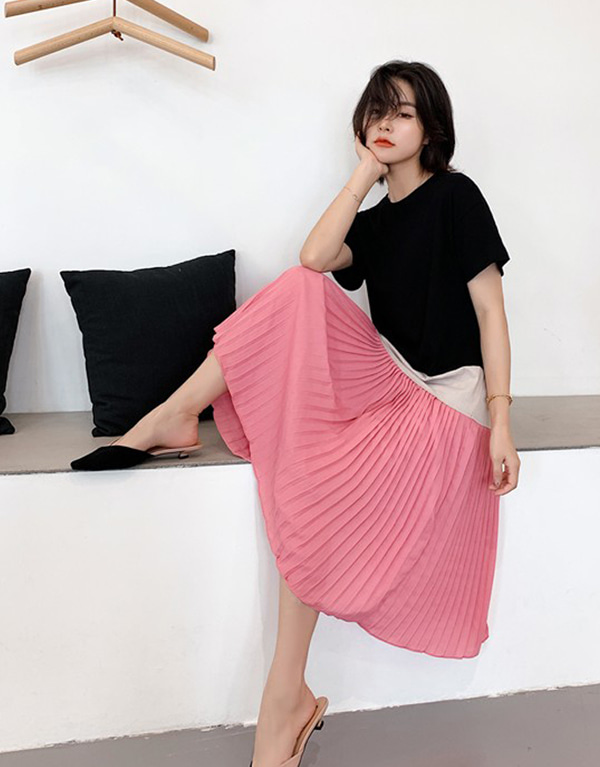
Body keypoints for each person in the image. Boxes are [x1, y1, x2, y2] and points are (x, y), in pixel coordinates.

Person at [71, 60, 521, 767]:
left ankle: (284, 697)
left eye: (403, 113)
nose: (385, 123)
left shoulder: (457, 197)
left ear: (432, 128)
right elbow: (314, 258)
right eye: (376, 111)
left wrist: (501, 422)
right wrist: (363, 175)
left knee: (313, 480)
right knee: (297, 289)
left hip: (446, 400)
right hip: (393, 383)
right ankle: (177, 414)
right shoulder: (373, 221)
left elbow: (491, 311)